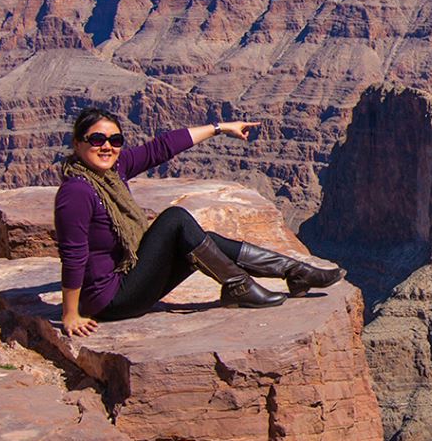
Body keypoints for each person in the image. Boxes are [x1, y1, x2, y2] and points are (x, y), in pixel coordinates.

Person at [54, 107, 343, 337]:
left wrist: (220, 128)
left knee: (203, 242)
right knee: (175, 219)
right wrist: (70, 314)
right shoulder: (77, 192)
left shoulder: (114, 171)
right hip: (110, 300)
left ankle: (295, 272)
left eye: (115, 140)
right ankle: (239, 285)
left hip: (127, 278)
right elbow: (73, 256)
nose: (107, 147)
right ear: (78, 144)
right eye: (97, 140)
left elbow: (162, 148)